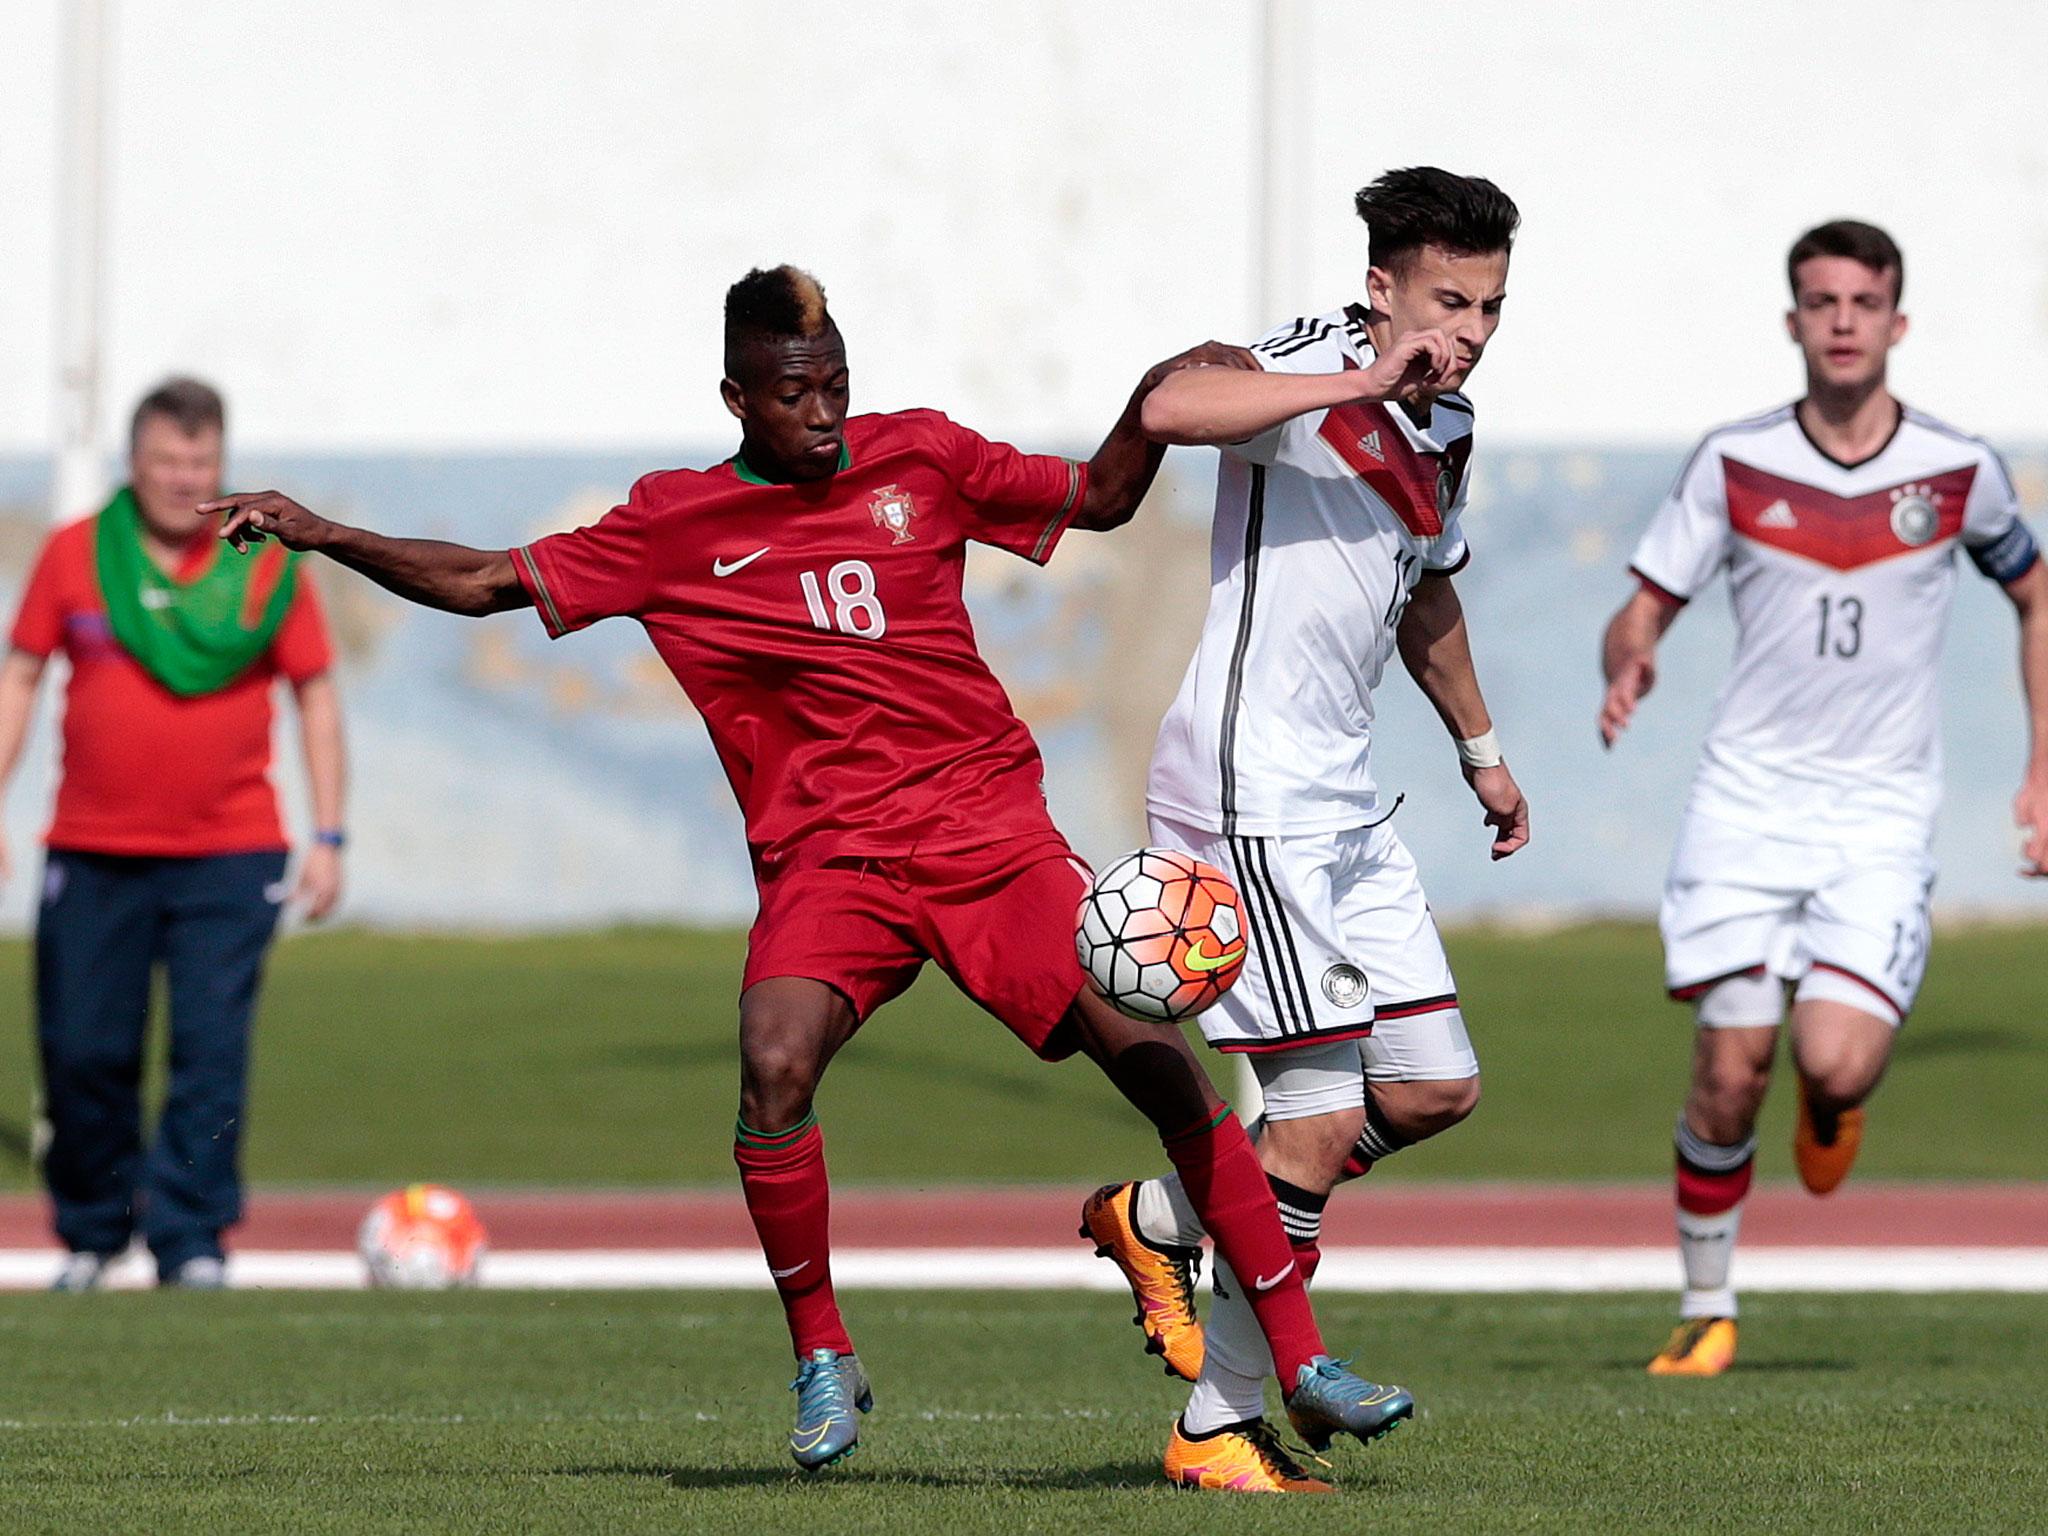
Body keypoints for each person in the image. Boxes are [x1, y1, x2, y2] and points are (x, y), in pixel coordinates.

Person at [200, 266, 1415, 1476]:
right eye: (796, 395)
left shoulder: (922, 457)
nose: (825, 414)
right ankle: (822, 1355)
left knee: (1155, 1057)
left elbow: (1097, 498)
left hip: (985, 835)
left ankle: (1299, 1360)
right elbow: (483, 583)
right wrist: (324, 533)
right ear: (737, 398)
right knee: (772, 1061)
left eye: (837, 386)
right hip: (829, 861)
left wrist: (1151, 400)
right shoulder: (670, 524)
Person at [1079, 167, 1530, 1493]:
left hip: (1347, 803)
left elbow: (1425, 598)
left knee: (1434, 1085)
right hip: (1248, 793)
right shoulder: (1316, 367)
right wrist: (1356, 376)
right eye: (1448, 299)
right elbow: (1170, 404)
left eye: (1492, 306)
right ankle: (1220, 1424)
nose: (1469, 329)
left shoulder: (1447, 424)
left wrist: (1484, 753)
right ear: (1383, 285)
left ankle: (1162, 1213)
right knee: (1319, 1120)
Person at [1598, 220, 2048, 1376]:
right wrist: (1629, 652)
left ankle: (1834, 1098)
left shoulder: (1956, 468)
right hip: (1745, 806)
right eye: (1819, 300)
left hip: (1878, 817)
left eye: (1861, 301)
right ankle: (1706, 1304)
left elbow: (2035, 596)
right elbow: (1646, 600)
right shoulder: (1733, 462)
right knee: (1727, 1070)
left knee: (1832, 1060)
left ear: (1895, 324)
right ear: (1791, 320)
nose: (1840, 319)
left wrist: (2041, 767)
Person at [0, 377, 346, 1291]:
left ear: (220, 465)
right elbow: (22, 677)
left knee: (208, 1056)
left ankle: (190, 1242)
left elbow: (314, 697)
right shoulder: (77, 555)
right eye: (165, 461)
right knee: (82, 1050)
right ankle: (93, 1231)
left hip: (230, 852)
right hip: (91, 848)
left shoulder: (267, 564)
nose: (181, 478)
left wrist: (331, 835)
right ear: (134, 463)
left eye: (199, 461)